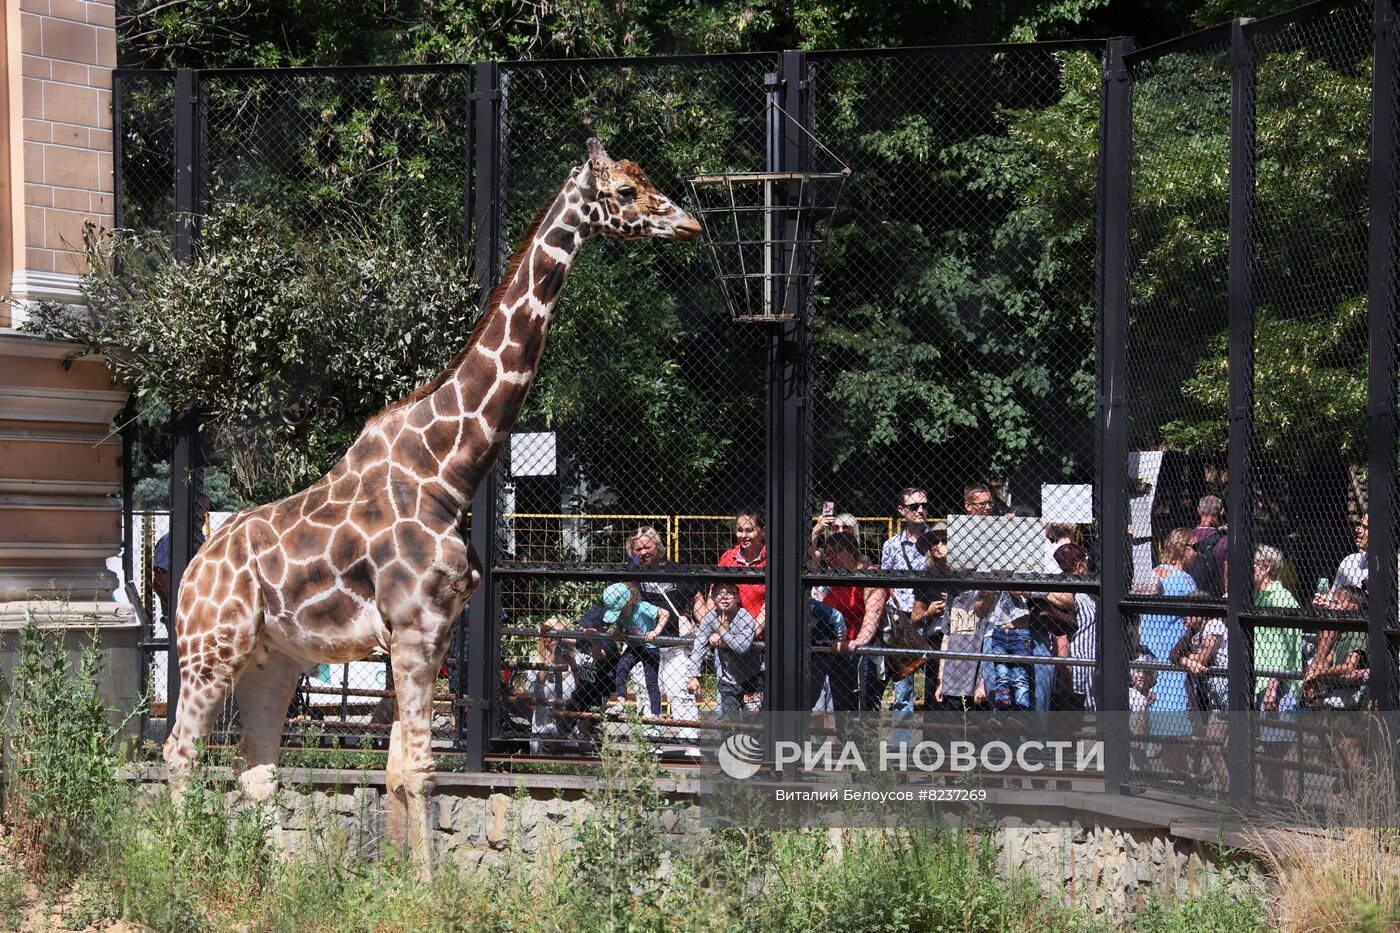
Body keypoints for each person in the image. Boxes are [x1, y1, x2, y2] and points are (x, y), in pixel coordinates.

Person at [628, 526, 703, 744]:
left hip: (674, 644)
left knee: (680, 693)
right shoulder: (632, 572)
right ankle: (650, 744)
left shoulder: (676, 570)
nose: (643, 552)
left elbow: (696, 598)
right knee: (645, 693)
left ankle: (690, 743)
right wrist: (633, 559)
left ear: (657, 546)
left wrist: (707, 623)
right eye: (638, 549)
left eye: (647, 547)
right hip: (644, 646)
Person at [1139, 528, 1199, 767]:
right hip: (1174, 663)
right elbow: (1194, 619)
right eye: (1195, 548)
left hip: (1151, 663)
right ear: (1182, 549)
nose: (1198, 553)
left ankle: (1169, 776)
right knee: (1178, 735)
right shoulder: (1185, 580)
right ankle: (1178, 777)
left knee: (1162, 730)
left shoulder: (1153, 574)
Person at [814, 532, 886, 711]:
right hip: (838, 655)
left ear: (852, 552)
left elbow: (874, 610)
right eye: (827, 553)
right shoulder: (832, 582)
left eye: (836, 552)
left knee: (863, 710)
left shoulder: (869, 575)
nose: (830, 557)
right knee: (844, 711)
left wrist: (858, 642)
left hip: (863, 654)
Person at [1252, 544, 1302, 801]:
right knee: (1269, 744)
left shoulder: (1281, 598)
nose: (1250, 571)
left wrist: (1272, 686)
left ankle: (1291, 802)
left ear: (1267, 567)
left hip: (1279, 685)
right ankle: (1274, 799)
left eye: (1254, 565)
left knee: (1285, 743)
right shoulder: (1259, 597)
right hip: (1262, 681)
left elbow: (1281, 647)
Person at [881, 487, 934, 718]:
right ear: (902, 510)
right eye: (914, 506)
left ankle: (935, 741)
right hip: (902, 619)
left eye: (924, 505)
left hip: (933, 616)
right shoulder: (892, 545)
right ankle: (902, 744)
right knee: (903, 686)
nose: (921, 510)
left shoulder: (939, 542)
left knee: (935, 680)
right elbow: (883, 582)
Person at [1170, 594, 1228, 791]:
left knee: (1213, 743)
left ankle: (1230, 790)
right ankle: (1227, 789)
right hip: (1212, 696)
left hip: (1228, 693)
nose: (1183, 617)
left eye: (1188, 612)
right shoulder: (1193, 632)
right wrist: (1188, 662)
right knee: (1211, 744)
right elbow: (1173, 654)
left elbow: (1202, 658)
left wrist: (1190, 661)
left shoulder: (1214, 625)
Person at [688, 582, 763, 719]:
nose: (724, 597)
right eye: (719, 593)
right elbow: (699, 645)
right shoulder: (711, 617)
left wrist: (722, 631)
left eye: (730, 593)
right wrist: (693, 676)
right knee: (728, 725)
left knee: (753, 726)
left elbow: (741, 647)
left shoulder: (745, 617)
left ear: (738, 598)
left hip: (751, 678)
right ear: (714, 597)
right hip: (727, 680)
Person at [603, 582, 669, 717]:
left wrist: (655, 632)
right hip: (634, 646)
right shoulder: (621, 614)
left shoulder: (642, 607)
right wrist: (618, 631)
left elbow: (665, 613)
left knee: (651, 681)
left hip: (649, 648)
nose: (619, 614)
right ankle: (621, 701)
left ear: (630, 600)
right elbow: (620, 624)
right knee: (621, 668)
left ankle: (655, 714)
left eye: (620, 610)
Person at [1048, 543, 1097, 710]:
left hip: (1090, 668)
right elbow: (1059, 636)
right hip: (1075, 670)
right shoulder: (1066, 595)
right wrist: (1064, 674)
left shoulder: (1088, 593)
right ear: (1079, 566)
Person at [934, 589, 996, 711]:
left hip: (975, 685)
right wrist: (941, 679)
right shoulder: (952, 596)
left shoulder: (984, 595)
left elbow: (988, 640)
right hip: (950, 683)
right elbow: (946, 637)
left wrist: (983, 682)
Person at [714, 509, 767, 634]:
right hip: (727, 632)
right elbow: (714, 596)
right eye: (740, 530)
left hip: (762, 636)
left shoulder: (773, 559)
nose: (743, 535)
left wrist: (751, 634)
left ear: (763, 531)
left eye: (749, 530)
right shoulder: (728, 558)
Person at [528, 617, 575, 753]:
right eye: (550, 633)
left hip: (569, 732)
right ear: (544, 638)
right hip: (542, 729)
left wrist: (575, 668)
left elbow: (583, 693)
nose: (555, 638)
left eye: (560, 634)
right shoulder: (535, 661)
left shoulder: (575, 660)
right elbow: (531, 692)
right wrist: (549, 662)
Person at [985, 598, 1033, 711]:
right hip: (999, 631)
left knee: (1020, 678)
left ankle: (1021, 712)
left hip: (1020, 632)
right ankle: (1002, 710)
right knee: (1001, 675)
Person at [1316, 513, 1369, 604]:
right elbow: (1334, 599)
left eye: (1365, 527)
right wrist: (1326, 603)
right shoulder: (1350, 561)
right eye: (1360, 525)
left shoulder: (1393, 567)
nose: (1358, 529)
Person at [1188, 495, 1228, 598]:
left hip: (1190, 596)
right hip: (1216, 598)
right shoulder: (1226, 541)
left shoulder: (1187, 539)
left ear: (1198, 511)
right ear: (1222, 511)